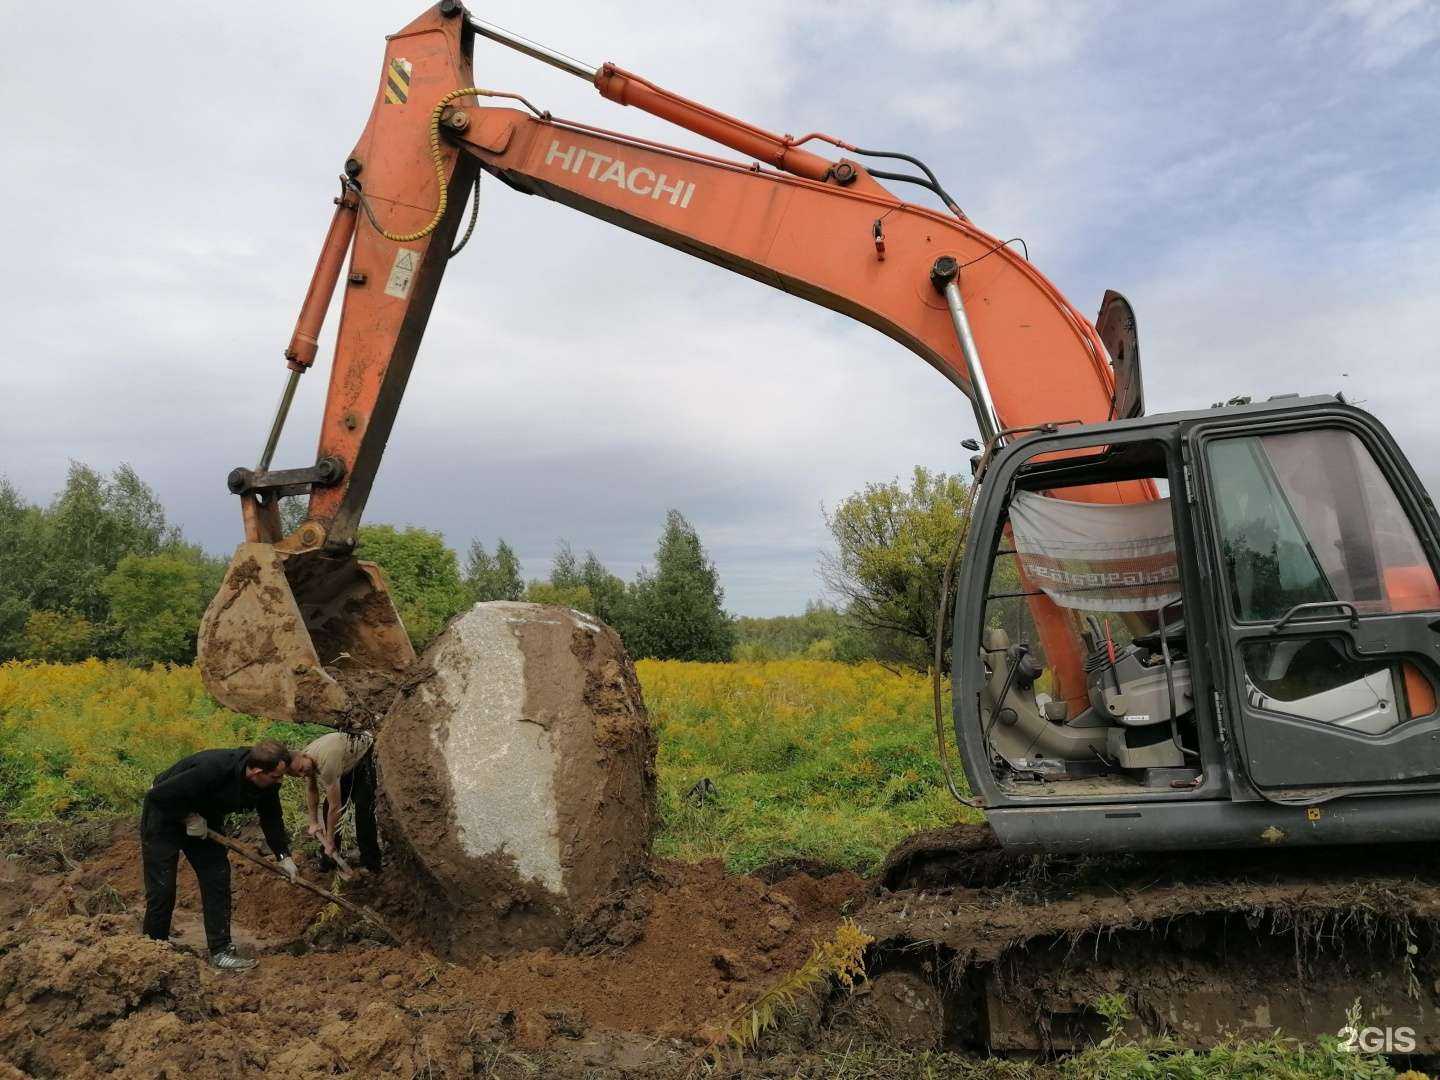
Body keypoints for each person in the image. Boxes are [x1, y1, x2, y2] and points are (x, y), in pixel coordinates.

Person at [140, 739, 298, 972]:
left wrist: (284, 856)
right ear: (256, 772)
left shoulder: (268, 784)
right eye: (275, 777)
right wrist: (187, 817)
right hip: (165, 815)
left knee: (217, 877)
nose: (280, 781)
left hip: (206, 820)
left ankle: (221, 950)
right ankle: (154, 948)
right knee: (163, 888)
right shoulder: (213, 768)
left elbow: (272, 817)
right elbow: (157, 795)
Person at [291, 730, 380, 875]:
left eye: (302, 770)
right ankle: (330, 858)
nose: (302, 774)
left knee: (364, 810)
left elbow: (336, 807)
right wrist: (313, 822)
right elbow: (312, 790)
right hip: (343, 759)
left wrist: (329, 838)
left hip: (362, 755)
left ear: (305, 756)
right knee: (327, 808)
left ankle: (371, 864)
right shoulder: (304, 760)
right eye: (298, 774)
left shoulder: (326, 762)